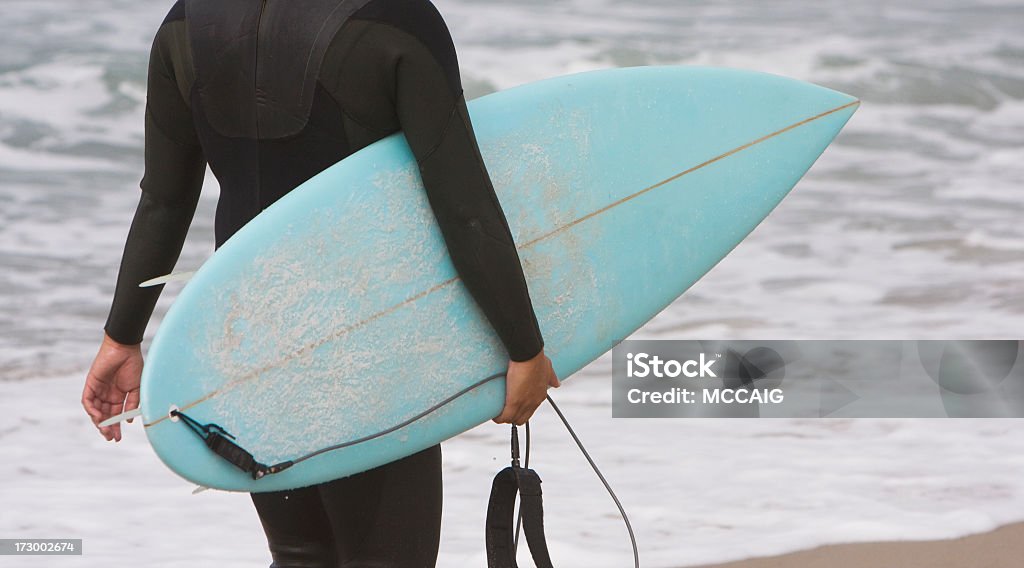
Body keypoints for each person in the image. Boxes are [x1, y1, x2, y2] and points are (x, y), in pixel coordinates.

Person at [81, 1, 560, 566]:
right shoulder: (396, 18)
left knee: (300, 555)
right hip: (369, 343)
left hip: (249, 341)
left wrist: (122, 338)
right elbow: (465, 206)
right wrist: (523, 346)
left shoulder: (186, 22)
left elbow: (164, 200)